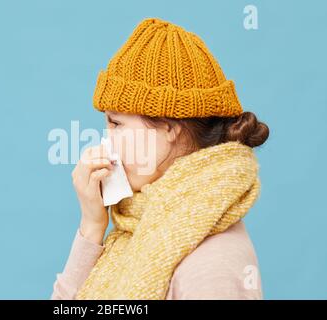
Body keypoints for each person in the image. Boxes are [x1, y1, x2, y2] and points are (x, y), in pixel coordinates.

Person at [51, 17, 269, 300]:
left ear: (169, 127)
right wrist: (92, 226)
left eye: (116, 124)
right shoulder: (142, 227)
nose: (107, 144)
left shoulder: (213, 264)